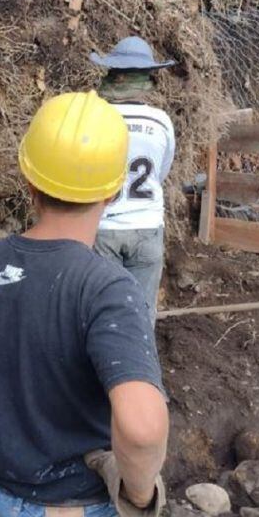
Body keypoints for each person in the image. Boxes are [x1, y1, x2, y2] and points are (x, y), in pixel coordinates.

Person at [0, 91, 169, 517]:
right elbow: (143, 429)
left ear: (30, 181)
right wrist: (138, 494)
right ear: (113, 190)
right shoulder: (108, 288)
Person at [89, 37, 177, 317]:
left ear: (113, 75)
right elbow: (161, 172)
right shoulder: (161, 121)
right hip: (148, 226)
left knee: (102, 309)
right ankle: (140, 359)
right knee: (141, 312)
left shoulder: (96, 118)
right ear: (147, 80)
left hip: (104, 226)